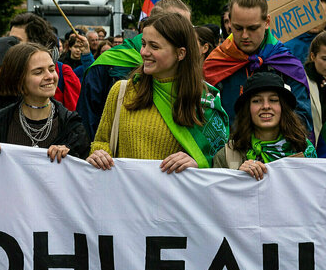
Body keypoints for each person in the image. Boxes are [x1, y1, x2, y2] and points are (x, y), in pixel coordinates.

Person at [86, 13, 228, 172]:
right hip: (125, 195)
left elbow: (220, 161)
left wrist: (198, 163)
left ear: (180, 53)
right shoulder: (122, 91)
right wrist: (99, 155)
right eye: (144, 44)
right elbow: (101, 141)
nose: (144, 52)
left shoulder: (203, 100)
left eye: (154, 46)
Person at [204, 0, 313, 135]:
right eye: (238, 28)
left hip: (275, 155)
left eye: (253, 28)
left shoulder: (287, 64)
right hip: (228, 155)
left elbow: (303, 120)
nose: (245, 35)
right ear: (229, 22)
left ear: (267, 22)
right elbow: (203, 119)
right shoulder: (215, 63)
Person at [77, 0, 192, 137]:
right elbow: (87, 124)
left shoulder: (190, 70)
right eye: (178, 25)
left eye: (188, 27)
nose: (186, 34)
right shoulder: (108, 64)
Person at [0, 43, 89, 161]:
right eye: (38, 72)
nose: (49, 76)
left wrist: (78, 157)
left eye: (52, 69)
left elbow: (84, 173)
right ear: (18, 79)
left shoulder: (73, 125)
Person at [214, 72, 316, 180]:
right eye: (257, 101)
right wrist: (238, 178)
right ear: (247, 109)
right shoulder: (226, 155)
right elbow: (217, 194)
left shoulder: (304, 150)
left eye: (273, 100)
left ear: (283, 107)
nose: (266, 106)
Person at [8, 13, 80, 111]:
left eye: (17, 40)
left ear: (34, 42)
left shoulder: (64, 73)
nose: (10, 44)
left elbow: (74, 116)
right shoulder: (6, 71)